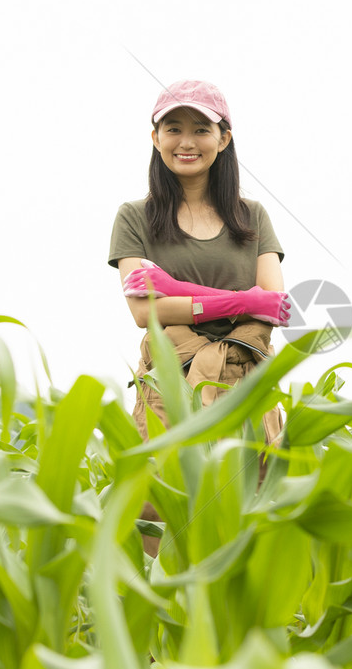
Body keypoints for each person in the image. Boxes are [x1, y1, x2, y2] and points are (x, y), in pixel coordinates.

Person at [108, 78, 290, 465]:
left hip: (246, 379)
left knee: (251, 510)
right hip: (169, 382)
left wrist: (173, 289)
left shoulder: (252, 215)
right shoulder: (133, 217)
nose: (186, 142)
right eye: (173, 129)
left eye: (201, 130)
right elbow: (144, 313)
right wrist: (244, 300)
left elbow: (274, 306)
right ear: (155, 138)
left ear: (223, 139)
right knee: (157, 511)